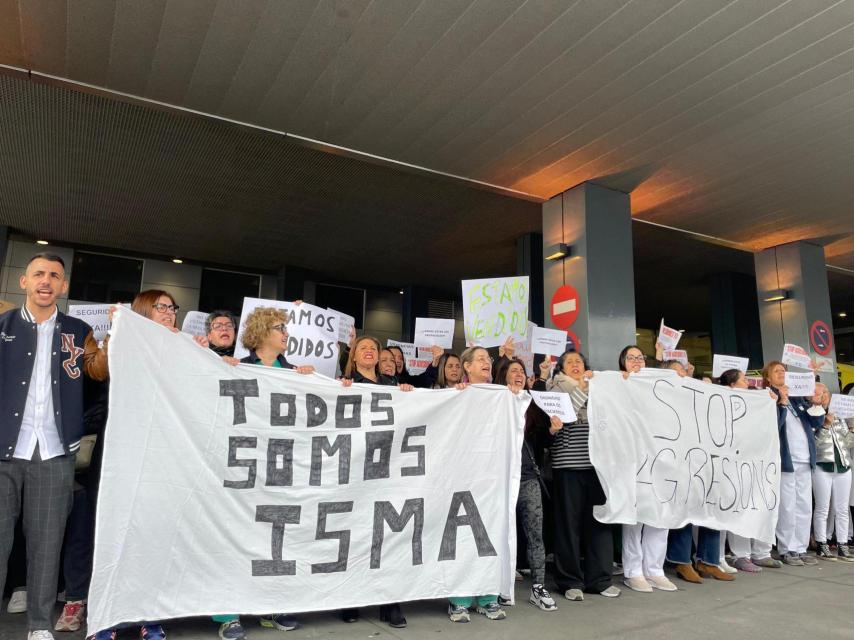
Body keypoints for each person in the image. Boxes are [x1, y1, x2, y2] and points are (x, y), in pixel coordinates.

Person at [0, 253, 109, 640]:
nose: (46, 281)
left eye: (55, 276)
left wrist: (118, 338)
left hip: (55, 452)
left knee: (47, 543)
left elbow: (99, 369)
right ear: (24, 282)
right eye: (39, 274)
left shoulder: (80, 331)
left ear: (64, 286)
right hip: (4, 450)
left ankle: (40, 625)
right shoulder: (4, 326)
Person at [222, 307, 314, 638]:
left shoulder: (291, 372)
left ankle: (272, 606)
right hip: (245, 472)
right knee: (237, 538)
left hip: (279, 473)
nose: (286, 334)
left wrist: (309, 381)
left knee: (277, 541)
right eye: (280, 328)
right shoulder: (238, 368)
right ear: (261, 333)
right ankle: (228, 615)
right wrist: (224, 370)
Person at [340, 335, 411, 628]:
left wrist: (408, 394)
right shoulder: (342, 383)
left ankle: (388, 601)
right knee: (356, 534)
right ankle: (352, 597)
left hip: (387, 470)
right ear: (353, 357)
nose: (369, 352)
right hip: (356, 471)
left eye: (374, 349)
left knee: (387, 536)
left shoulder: (392, 386)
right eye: (363, 348)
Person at [546, 350, 623, 600]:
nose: (575, 365)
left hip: (597, 465)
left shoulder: (597, 386)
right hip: (568, 465)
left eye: (579, 361)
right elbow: (568, 413)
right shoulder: (554, 388)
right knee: (568, 526)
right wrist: (584, 388)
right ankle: (570, 581)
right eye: (570, 362)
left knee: (599, 522)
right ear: (561, 369)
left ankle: (599, 580)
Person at [447, 346, 507, 623]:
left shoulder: (503, 396)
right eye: (481, 358)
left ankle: (487, 598)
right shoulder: (455, 396)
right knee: (462, 535)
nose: (487, 362)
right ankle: (459, 599)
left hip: (493, 477)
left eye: (489, 359)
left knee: (490, 535)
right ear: (467, 367)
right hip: (463, 475)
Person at [495, 358, 558, 612]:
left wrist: (552, 431)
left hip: (528, 478)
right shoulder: (494, 401)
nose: (520, 374)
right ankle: (499, 585)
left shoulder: (531, 404)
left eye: (522, 371)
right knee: (499, 533)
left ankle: (538, 587)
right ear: (503, 376)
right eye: (514, 371)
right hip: (500, 479)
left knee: (535, 533)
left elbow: (541, 439)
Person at [616, 346, 674, 592]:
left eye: (640, 357)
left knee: (660, 515)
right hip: (633, 458)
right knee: (636, 518)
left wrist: (661, 360)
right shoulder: (618, 385)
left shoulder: (656, 386)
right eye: (631, 358)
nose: (636, 361)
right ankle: (633, 570)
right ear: (623, 363)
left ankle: (655, 569)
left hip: (661, 457)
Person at [718, 369, 782, 572]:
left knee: (756, 503)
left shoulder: (755, 400)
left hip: (754, 462)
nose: (748, 383)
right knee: (738, 506)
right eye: (743, 380)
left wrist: (770, 402)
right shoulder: (722, 403)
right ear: (731, 385)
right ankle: (740, 554)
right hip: (733, 463)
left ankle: (761, 552)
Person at [763, 361, 823, 566]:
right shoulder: (767, 396)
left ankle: (800, 547)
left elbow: (816, 423)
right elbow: (771, 426)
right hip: (785, 461)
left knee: (804, 505)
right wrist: (781, 401)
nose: (782, 373)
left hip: (805, 459)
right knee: (787, 506)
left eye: (784, 371)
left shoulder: (798, 399)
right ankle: (786, 548)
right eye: (777, 371)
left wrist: (815, 402)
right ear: (768, 377)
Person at [811, 383, 854, 561]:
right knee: (823, 508)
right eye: (821, 393)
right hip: (823, 466)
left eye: (826, 392)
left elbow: (848, 443)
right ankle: (822, 543)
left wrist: (852, 429)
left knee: (842, 509)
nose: (825, 395)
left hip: (843, 466)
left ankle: (843, 544)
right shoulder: (812, 416)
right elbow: (814, 445)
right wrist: (825, 426)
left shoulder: (839, 417)